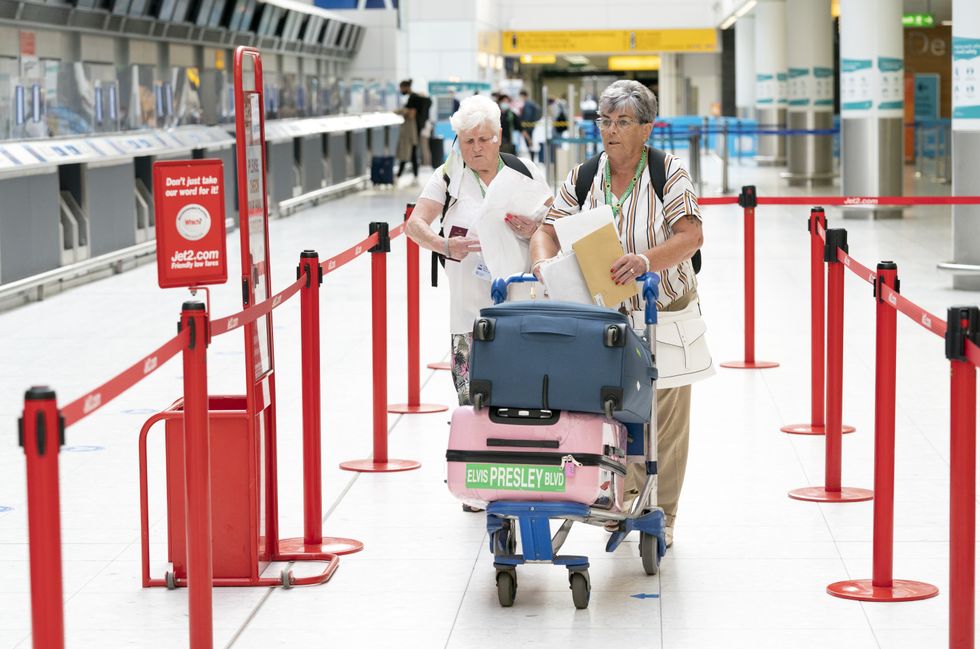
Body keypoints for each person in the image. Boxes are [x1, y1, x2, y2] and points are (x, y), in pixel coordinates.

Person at [529, 80, 703, 548]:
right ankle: (623, 501)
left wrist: (645, 260)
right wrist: (544, 262)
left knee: (664, 415)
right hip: (607, 316)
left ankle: (662, 514)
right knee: (615, 408)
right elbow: (548, 228)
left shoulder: (668, 172)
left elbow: (690, 236)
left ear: (646, 128)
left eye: (623, 122)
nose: (611, 130)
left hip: (663, 308)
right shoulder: (586, 174)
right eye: (605, 121)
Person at [405, 94, 550, 409]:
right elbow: (415, 224)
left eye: (484, 139)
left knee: (525, 401)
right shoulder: (448, 176)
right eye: (468, 140)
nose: (476, 147)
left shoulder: (524, 170)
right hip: (468, 313)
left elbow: (554, 224)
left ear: (498, 137)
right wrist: (444, 245)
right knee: (475, 404)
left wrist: (536, 228)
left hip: (521, 308)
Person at [397, 79, 431, 178]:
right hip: (417, 128)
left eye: (401, 88)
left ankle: (400, 175)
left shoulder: (413, 98)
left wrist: (401, 112)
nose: (401, 90)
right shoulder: (415, 97)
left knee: (409, 151)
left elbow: (412, 114)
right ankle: (413, 175)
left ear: (406, 87)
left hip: (412, 129)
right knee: (412, 152)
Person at [518, 89, 541, 155]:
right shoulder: (531, 103)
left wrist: (524, 125)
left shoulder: (527, 104)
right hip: (531, 125)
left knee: (529, 141)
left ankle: (532, 156)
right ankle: (532, 155)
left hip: (527, 126)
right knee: (530, 141)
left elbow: (527, 115)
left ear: (523, 96)